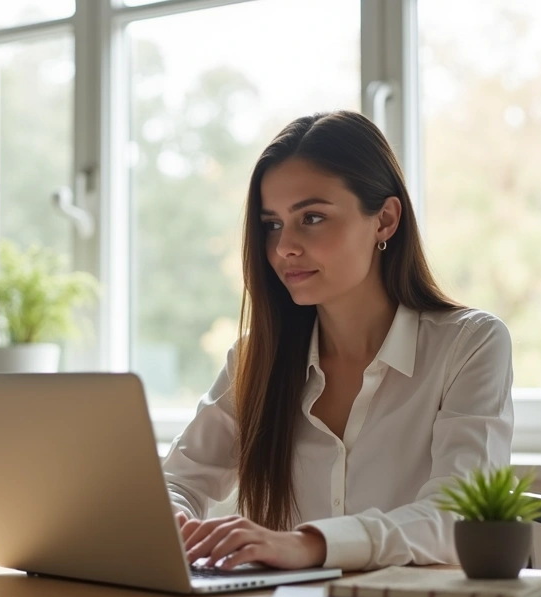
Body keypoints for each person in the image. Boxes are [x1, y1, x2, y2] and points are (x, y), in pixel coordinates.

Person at [163, 110, 514, 573]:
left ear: (385, 221)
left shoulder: (469, 345)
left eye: (311, 217)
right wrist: (175, 524)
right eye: (272, 224)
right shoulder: (256, 357)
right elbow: (177, 482)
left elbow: (459, 516)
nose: (285, 246)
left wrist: (311, 545)